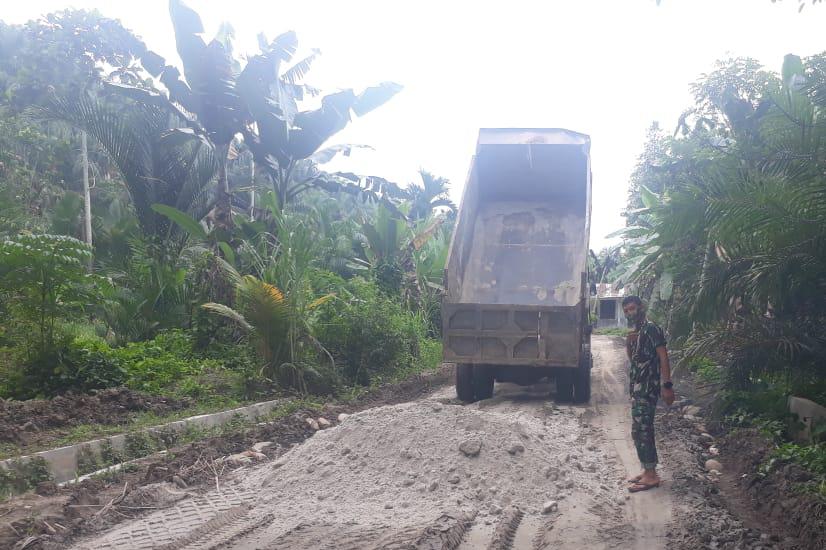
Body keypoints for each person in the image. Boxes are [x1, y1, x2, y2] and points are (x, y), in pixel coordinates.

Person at [622, 295, 675, 492]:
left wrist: (667, 385)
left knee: (644, 429)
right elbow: (634, 360)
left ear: (641, 307)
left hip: (648, 388)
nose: (630, 313)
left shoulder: (652, 329)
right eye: (626, 310)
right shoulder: (637, 331)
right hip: (638, 389)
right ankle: (647, 469)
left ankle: (651, 476)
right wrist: (629, 343)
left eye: (632, 308)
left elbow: (663, 357)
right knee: (638, 430)